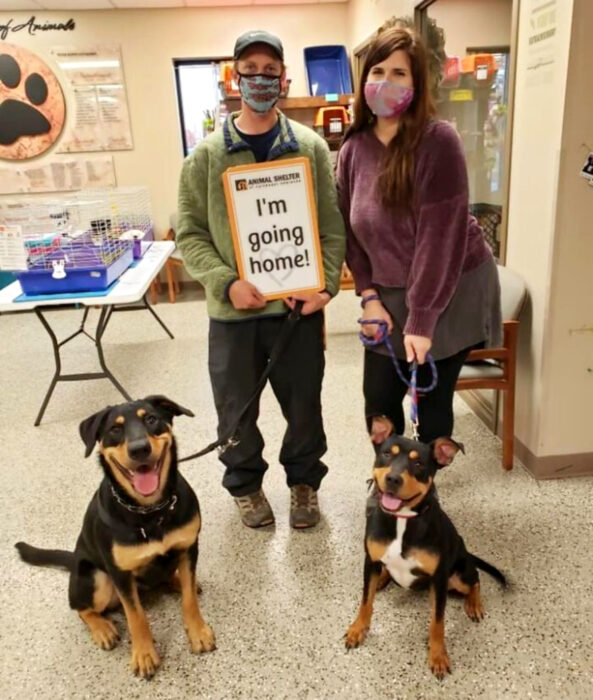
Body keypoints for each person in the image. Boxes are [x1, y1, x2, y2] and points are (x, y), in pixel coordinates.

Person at [177, 30, 345, 529]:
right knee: (235, 409)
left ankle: (304, 485)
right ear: (235, 79)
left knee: (304, 405)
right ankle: (246, 487)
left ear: (284, 80)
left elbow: (331, 228)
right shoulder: (205, 158)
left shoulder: (311, 149)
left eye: (270, 72)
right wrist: (226, 282)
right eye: (250, 70)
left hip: (296, 310)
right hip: (235, 313)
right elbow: (190, 234)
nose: (260, 79)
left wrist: (326, 286)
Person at [336, 27, 501, 447]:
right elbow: (350, 232)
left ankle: (421, 493)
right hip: (388, 286)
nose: (385, 82)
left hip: (449, 286)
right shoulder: (354, 147)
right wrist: (369, 295)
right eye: (377, 70)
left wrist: (422, 319)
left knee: (430, 398)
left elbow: (439, 240)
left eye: (399, 73)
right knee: (379, 400)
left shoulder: (437, 141)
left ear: (416, 84)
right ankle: (389, 482)